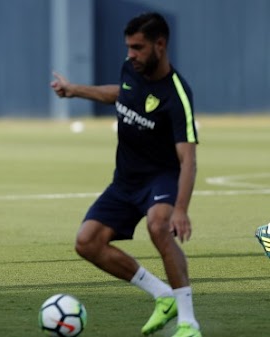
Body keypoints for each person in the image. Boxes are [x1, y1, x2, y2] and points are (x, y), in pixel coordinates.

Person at [51, 13, 201, 337]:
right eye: (129, 47)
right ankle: (163, 296)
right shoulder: (130, 68)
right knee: (87, 242)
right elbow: (120, 93)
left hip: (160, 178)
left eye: (138, 47)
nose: (131, 54)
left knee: (159, 226)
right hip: (125, 180)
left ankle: (189, 323)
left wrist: (181, 210)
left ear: (160, 45)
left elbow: (188, 160)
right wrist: (74, 90)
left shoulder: (177, 94)